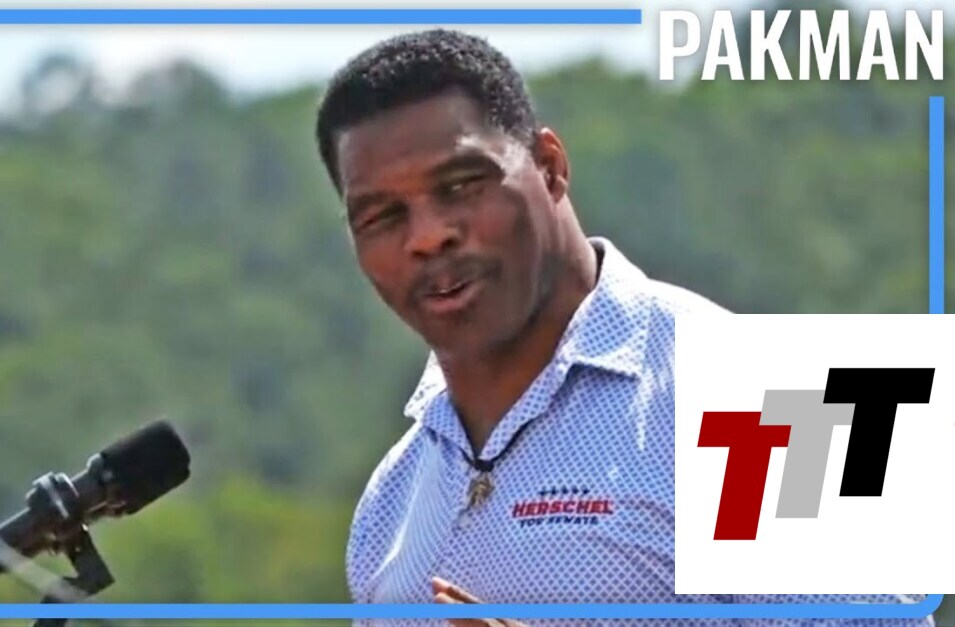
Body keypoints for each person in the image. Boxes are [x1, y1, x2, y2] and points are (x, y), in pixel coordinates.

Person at [312, 29, 932, 627]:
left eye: (461, 186)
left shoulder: (781, 396)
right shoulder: (388, 502)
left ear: (550, 167)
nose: (427, 236)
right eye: (382, 216)